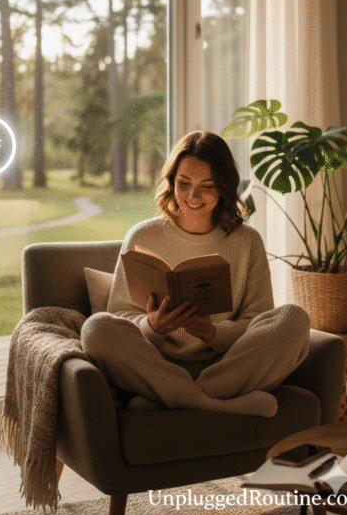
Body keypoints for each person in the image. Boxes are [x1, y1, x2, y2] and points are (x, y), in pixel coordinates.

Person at [81, 131, 310, 418]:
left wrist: (215, 332)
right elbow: (119, 319)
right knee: (96, 328)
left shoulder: (247, 241)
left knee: (295, 319)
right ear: (171, 181)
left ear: (224, 187)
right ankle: (212, 405)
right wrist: (153, 325)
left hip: (227, 366)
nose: (192, 196)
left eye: (207, 186)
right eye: (183, 183)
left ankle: (171, 399)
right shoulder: (142, 236)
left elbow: (257, 323)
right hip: (155, 366)